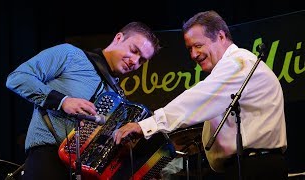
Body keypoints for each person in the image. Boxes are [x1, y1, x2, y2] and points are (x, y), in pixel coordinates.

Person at [114, 10, 288, 180]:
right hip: (244, 166)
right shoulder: (234, 68)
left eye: (198, 45)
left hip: (254, 167)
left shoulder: (239, 63)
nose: (193, 54)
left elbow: (198, 98)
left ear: (221, 37)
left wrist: (147, 124)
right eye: (189, 49)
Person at [6, 21, 161, 180]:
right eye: (134, 50)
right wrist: (63, 101)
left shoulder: (119, 96)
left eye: (142, 60)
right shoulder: (69, 54)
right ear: (119, 38)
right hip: (48, 158)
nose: (135, 61)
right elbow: (17, 78)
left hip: (85, 172)